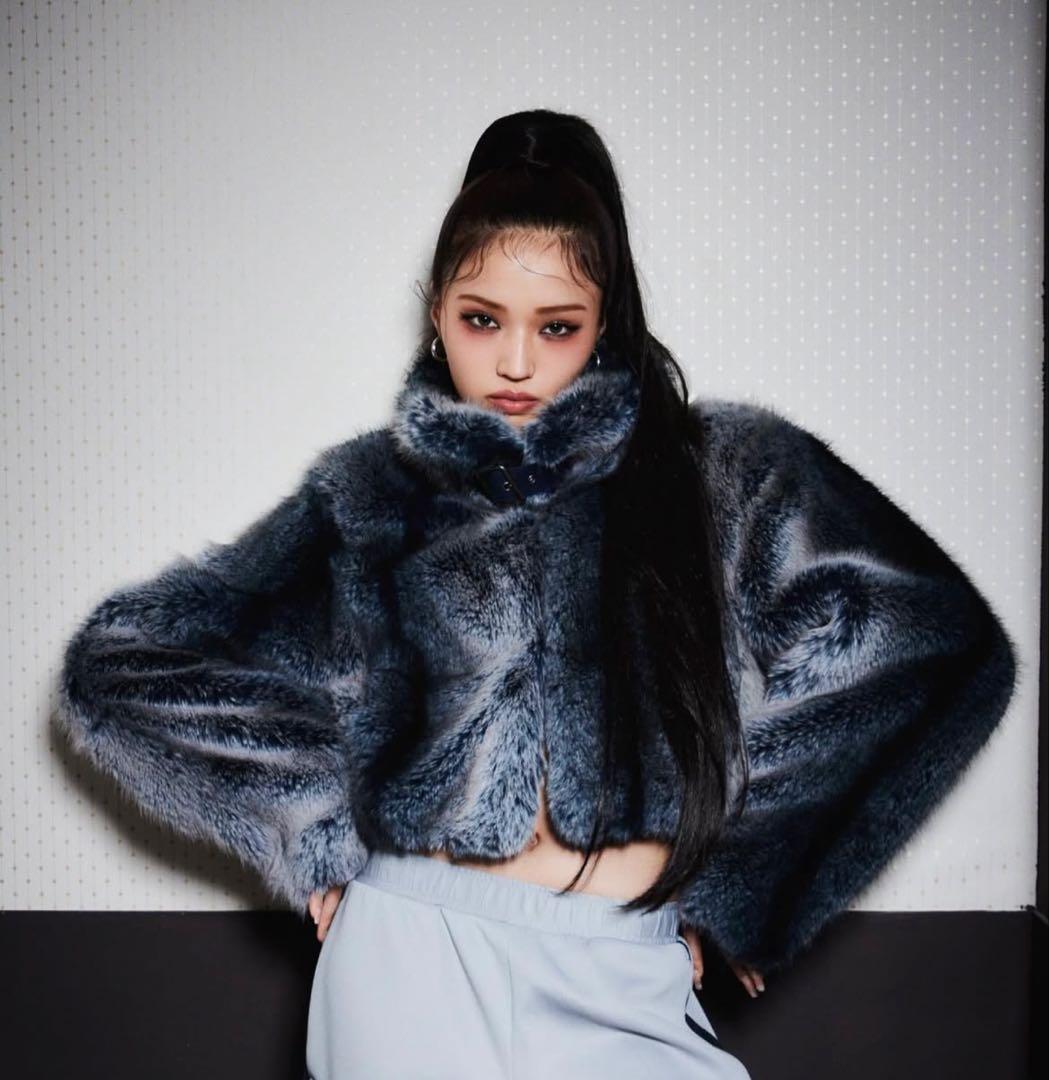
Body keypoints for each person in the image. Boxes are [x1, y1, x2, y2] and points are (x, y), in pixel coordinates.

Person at [57, 110, 1019, 1079]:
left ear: (604, 323)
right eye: (482, 319)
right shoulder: (373, 495)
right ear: (436, 311)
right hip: (407, 958)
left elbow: (932, 642)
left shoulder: (727, 473)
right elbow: (128, 660)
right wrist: (315, 825)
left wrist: (748, 874)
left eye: (557, 326)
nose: (516, 362)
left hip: (621, 964)